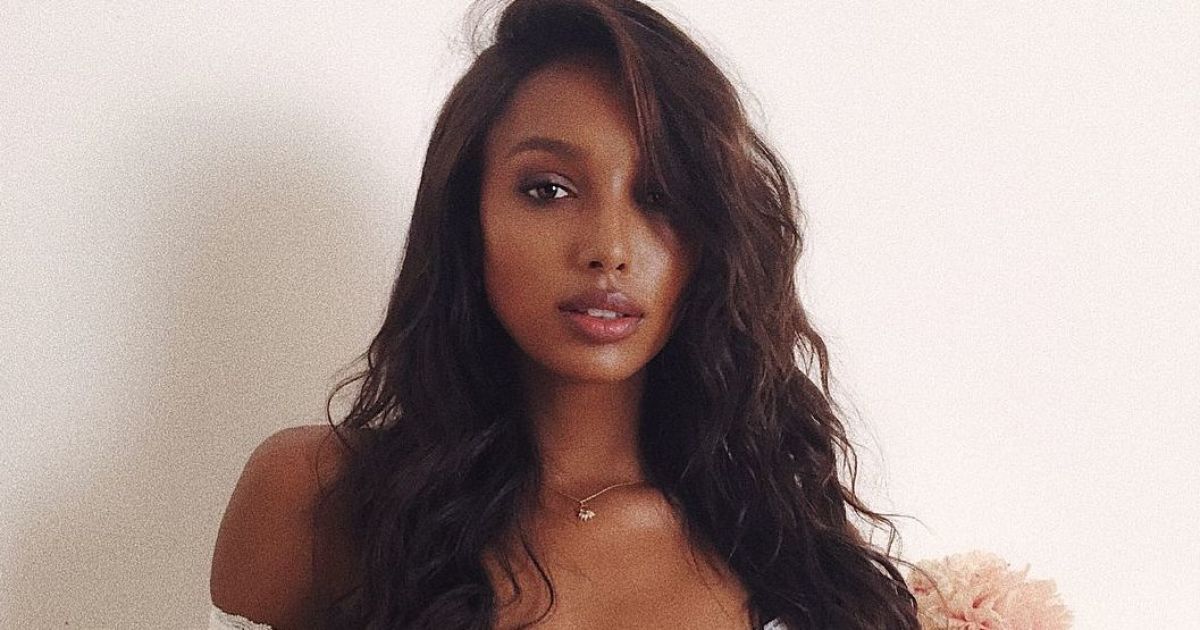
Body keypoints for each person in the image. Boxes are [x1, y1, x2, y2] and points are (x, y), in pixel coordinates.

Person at [209, 0, 927, 628]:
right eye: (549, 189)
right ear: (467, 217)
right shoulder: (315, 499)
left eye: (661, 197)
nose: (609, 249)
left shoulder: (780, 535)